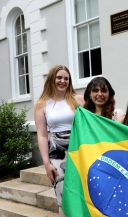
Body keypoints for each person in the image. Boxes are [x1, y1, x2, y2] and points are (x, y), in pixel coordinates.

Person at [34, 65, 84, 217]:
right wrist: (46, 163)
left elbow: (92, 121)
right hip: (57, 154)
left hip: (79, 149)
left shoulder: (79, 99)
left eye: (66, 78)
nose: (63, 81)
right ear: (52, 79)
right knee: (62, 195)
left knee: (83, 192)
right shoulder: (42, 104)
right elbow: (42, 135)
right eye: (59, 78)